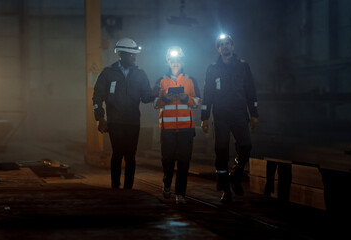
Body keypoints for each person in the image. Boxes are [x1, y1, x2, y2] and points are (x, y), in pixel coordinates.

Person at [201, 34, 259, 203]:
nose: (225, 47)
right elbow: (207, 94)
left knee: (246, 146)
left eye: (228, 44)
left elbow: (251, 90)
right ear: (218, 49)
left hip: (239, 114)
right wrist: (204, 117)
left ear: (233, 47)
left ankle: (236, 175)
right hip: (220, 116)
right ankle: (225, 189)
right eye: (221, 45)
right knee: (221, 151)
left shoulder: (243, 66)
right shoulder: (212, 68)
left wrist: (254, 114)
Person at [92, 37, 153, 189]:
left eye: (135, 54)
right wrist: (100, 117)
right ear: (121, 55)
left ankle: (128, 189)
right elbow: (97, 96)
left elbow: (146, 98)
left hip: (132, 122)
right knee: (118, 154)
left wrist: (155, 93)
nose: (134, 57)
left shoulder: (140, 74)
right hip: (115, 121)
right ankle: (115, 188)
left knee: (130, 155)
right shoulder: (108, 73)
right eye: (131, 54)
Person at [153, 46, 201, 204]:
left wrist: (186, 97)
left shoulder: (190, 80)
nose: (175, 63)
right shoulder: (161, 81)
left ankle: (180, 194)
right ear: (168, 61)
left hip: (186, 129)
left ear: (182, 61)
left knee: (184, 161)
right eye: (172, 60)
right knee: (167, 160)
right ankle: (167, 183)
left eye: (178, 60)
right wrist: (164, 98)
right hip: (167, 130)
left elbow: (198, 101)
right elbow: (154, 102)